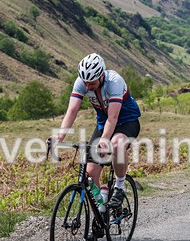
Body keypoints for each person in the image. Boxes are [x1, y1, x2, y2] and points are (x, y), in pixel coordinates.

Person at [48, 53, 141, 210]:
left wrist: (104, 140)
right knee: (90, 174)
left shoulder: (114, 82)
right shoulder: (81, 83)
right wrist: (59, 136)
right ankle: (101, 210)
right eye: (86, 82)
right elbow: (72, 111)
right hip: (103, 125)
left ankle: (119, 187)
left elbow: (113, 117)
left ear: (101, 75)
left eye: (92, 83)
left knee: (117, 144)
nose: (88, 86)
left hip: (126, 122)